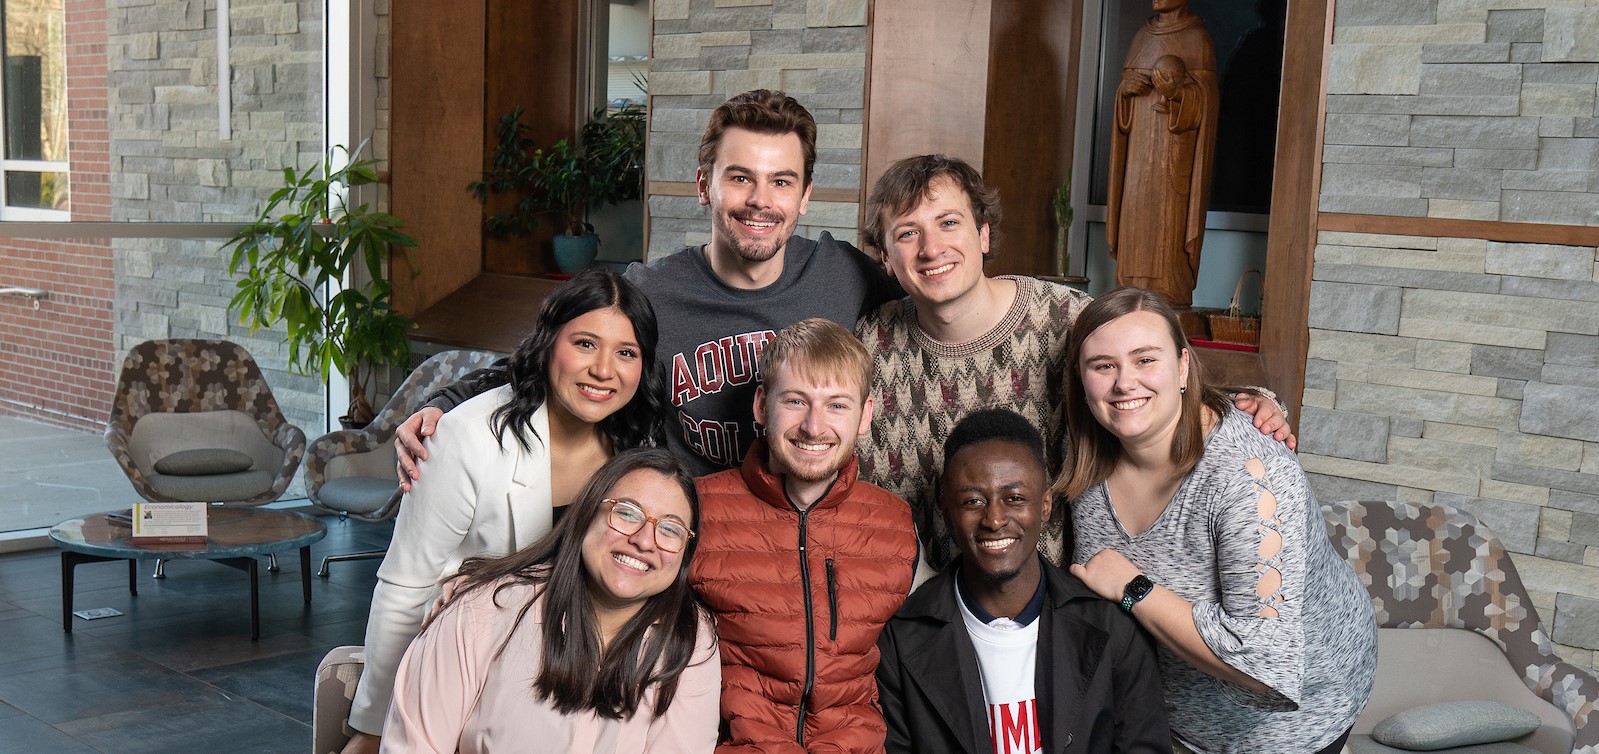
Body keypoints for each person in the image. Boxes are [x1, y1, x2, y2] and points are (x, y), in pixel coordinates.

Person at [395, 89, 898, 483]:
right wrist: (439, 405)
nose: (760, 201)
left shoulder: (842, 272)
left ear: (806, 195)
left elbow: (938, 306)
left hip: (802, 532)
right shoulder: (649, 292)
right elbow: (542, 361)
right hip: (681, 536)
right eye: (740, 178)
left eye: (782, 182)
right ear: (705, 186)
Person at [855, 154, 1292, 570]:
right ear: (886, 259)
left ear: (983, 234)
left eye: (949, 223)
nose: (932, 248)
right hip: (923, 606)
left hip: (1062, 604)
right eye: (908, 233)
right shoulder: (870, 343)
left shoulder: (1069, 319)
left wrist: (1257, 403)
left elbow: (1158, 383)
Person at [341, 269, 669, 754]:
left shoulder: (638, 445)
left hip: (578, 669)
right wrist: (373, 725)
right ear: (547, 343)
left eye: (626, 353)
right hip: (468, 666)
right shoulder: (465, 438)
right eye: (584, 344)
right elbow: (404, 587)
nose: (604, 370)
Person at [1055, 287, 1376, 754]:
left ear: (1183, 366)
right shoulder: (1083, 454)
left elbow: (1266, 666)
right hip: (1168, 717)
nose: (1125, 382)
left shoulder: (1249, 478)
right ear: (1082, 381)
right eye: (1104, 365)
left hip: (1290, 722)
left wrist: (1133, 589)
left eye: (1146, 360)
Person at [384, 448, 721, 753]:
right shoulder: (484, 609)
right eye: (628, 514)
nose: (645, 541)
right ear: (587, 514)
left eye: (670, 530)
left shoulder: (691, 637)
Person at [876, 408, 1171, 754]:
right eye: (972, 501)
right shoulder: (900, 639)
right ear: (947, 513)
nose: (995, 519)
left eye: (1014, 498)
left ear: (1045, 505)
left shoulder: (1113, 628)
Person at [692, 318, 919, 752]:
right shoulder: (698, 509)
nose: (814, 427)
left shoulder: (896, 524)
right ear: (761, 406)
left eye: (837, 405)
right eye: (796, 401)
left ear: (865, 415)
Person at [1104, 0, 1219, 306]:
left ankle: (1169, 289)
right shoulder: (1142, 36)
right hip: (1138, 152)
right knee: (1136, 212)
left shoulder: (1197, 38)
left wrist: (1179, 93)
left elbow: (1206, 103)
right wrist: (1126, 92)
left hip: (1173, 149)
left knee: (1168, 220)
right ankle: (1130, 285)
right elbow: (1123, 93)